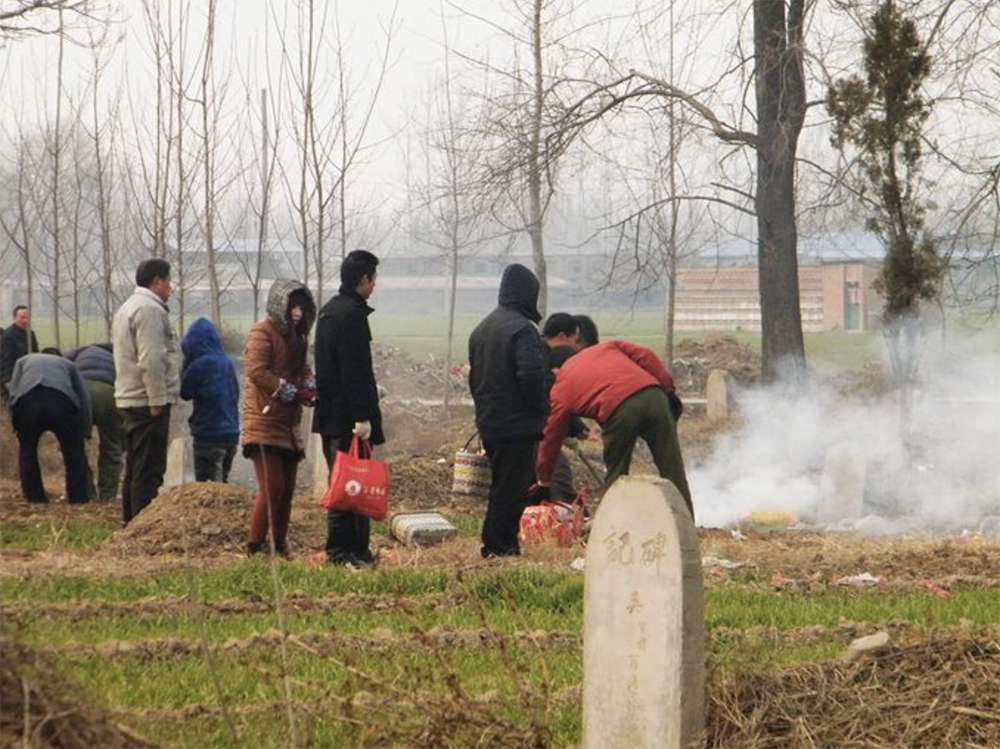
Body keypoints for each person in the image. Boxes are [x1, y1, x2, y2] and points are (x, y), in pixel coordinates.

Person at [532, 340, 693, 518]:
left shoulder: (561, 386)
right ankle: (686, 526)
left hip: (619, 411)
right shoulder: (606, 347)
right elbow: (646, 356)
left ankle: (612, 526)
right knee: (672, 466)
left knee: (617, 476)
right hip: (654, 396)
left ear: (555, 369)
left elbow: (551, 437)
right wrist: (668, 390)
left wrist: (544, 481)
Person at [468, 263, 549, 558]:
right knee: (511, 490)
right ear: (528, 294)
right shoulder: (523, 329)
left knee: (501, 486)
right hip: (517, 425)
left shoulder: (482, 329)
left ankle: (496, 543)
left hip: (491, 423)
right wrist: (541, 408)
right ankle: (500, 548)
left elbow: (474, 379)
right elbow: (530, 375)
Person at [313, 249, 383, 567]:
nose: (375, 285)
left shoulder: (328, 311)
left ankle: (351, 551)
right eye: (373, 278)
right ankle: (346, 552)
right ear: (364, 279)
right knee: (351, 486)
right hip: (348, 419)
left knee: (343, 482)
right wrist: (362, 417)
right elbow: (354, 371)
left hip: (329, 416)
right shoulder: (352, 315)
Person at [243, 279, 317, 558]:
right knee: (272, 488)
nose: (297, 313)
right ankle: (254, 545)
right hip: (263, 419)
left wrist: (309, 386)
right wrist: (292, 393)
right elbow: (257, 372)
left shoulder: (298, 337)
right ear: (279, 305)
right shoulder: (262, 332)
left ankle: (279, 545)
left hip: (288, 423)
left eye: (301, 307)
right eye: (292, 306)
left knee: (286, 490)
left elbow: (303, 367)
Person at [112, 258, 181, 523]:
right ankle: (143, 525)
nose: (170, 287)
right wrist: (157, 399)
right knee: (149, 468)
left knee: (135, 466)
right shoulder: (150, 310)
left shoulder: (128, 307)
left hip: (129, 397)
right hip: (146, 400)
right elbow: (151, 358)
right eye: (168, 281)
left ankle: (130, 524)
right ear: (157, 281)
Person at [8, 352, 92, 503]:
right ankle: (78, 499)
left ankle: (34, 498)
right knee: (74, 452)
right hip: (61, 400)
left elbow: (14, 391)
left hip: (28, 400)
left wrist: (15, 422)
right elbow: (82, 395)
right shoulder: (68, 364)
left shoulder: (22, 360)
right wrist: (85, 429)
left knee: (27, 450)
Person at [180, 318, 240, 483]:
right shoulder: (227, 363)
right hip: (231, 434)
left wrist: (186, 364)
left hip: (208, 435)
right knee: (222, 485)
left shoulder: (198, 365)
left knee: (208, 489)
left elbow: (185, 393)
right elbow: (236, 393)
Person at [66, 343, 122, 501]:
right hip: (108, 392)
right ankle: (108, 494)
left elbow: (64, 367)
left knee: (77, 445)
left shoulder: (78, 352)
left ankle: (86, 492)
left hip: (81, 392)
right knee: (111, 445)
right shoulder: (114, 355)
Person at [0, 306, 40, 402]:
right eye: (22, 317)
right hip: (14, 377)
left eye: (28, 317)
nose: (26, 320)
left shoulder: (31, 334)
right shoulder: (8, 336)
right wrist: (9, 382)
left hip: (30, 375)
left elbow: (36, 354)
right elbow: (5, 362)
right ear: (14, 318)